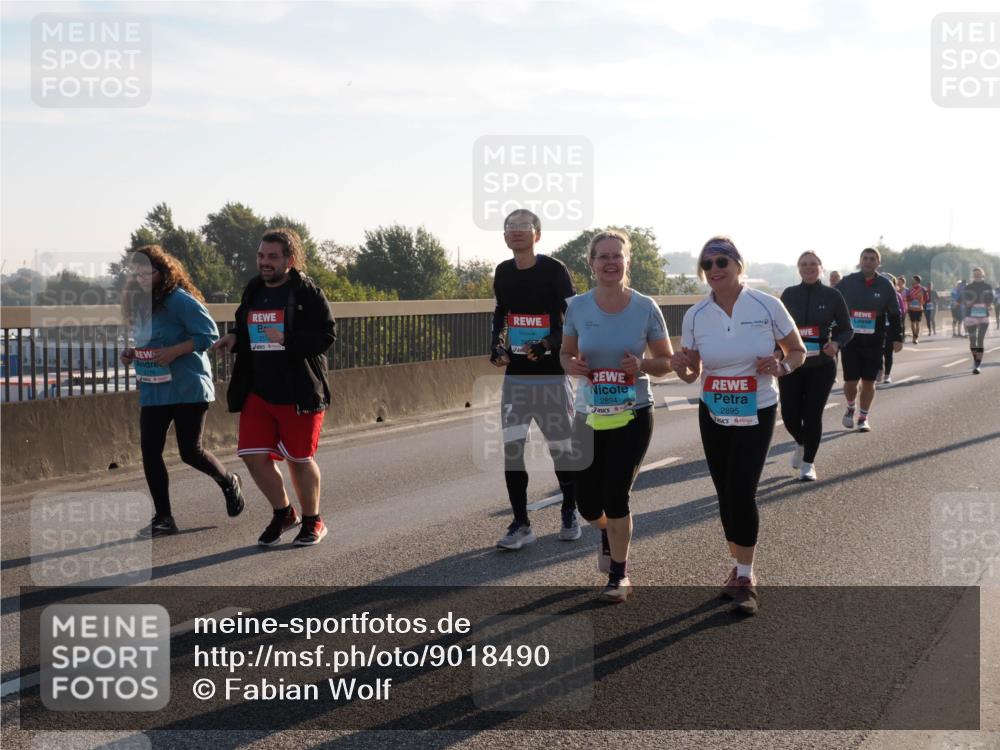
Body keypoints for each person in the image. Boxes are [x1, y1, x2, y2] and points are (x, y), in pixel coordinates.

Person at [671, 236, 805, 615]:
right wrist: (684, 369)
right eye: (708, 264)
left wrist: (781, 366)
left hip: (756, 407)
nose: (714, 270)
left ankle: (746, 578)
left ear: (737, 265)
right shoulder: (696, 314)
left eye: (722, 262)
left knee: (742, 489)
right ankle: (738, 565)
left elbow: (798, 351)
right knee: (725, 492)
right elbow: (692, 371)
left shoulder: (767, 305)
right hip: (713, 408)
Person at [561, 229, 672, 602]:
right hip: (588, 412)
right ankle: (607, 533)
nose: (610, 262)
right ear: (591, 264)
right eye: (602, 256)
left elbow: (665, 362)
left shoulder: (645, 306)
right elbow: (565, 353)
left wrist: (640, 364)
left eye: (616, 255)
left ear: (628, 261)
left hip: (632, 412)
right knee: (588, 504)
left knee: (615, 494)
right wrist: (571, 366)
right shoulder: (576, 306)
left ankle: (619, 575)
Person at [212, 228, 336, 546]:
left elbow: (326, 336)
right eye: (261, 256)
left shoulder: (307, 292)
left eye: (272, 257)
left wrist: (288, 340)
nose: (264, 262)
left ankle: (313, 520)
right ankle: (284, 513)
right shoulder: (254, 289)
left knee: (298, 458)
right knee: (252, 455)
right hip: (257, 389)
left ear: (289, 260)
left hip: (298, 390)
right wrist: (234, 338)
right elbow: (245, 327)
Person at [121, 245, 245, 538]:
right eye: (136, 272)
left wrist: (175, 350)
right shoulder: (140, 305)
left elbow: (208, 334)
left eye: (147, 272)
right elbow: (150, 343)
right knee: (150, 451)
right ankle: (164, 518)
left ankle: (229, 481)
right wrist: (133, 353)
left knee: (191, 451)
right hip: (154, 387)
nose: (141, 277)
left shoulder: (178, 299)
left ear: (162, 273)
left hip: (188, 385)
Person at [490, 209, 579, 550]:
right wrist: (496, 346)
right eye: (510, 227)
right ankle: (521, 523)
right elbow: (501, 313)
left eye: (524, 227)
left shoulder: (554, 270)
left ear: (537, 235)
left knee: (560, 448)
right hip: (516, 379)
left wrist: (547, 344)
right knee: (513, 450)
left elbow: (572, 319)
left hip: (551, 377)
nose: (516, 232)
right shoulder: (502, 271)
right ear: (504, 236)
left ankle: (570, 510)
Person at [778, 252, 853, 481]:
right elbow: (776, 328)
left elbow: (846, 328)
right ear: (798, 269)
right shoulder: (789, 295)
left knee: (812, 415)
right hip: (791, 363)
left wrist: (837, 343)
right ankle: (801, 443)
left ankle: (808, 463)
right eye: (804, 264)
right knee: (789, 415)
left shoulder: (832, 295)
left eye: (813, 264)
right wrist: (774, 349)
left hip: (821, 364)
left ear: (821, 268)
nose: (808, 268)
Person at [836, 248, 902, 431]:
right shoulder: (847, 282)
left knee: (868, 382)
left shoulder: (885, 285)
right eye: (865, 258)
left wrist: (898, 337)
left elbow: (895, 314)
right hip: (851, 340)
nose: (868, 261)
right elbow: (832, 303)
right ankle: (850, 407)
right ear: (860, 261)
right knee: (850, 381)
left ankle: (863, 417)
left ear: (878, 263)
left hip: (874, 340)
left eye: (872, 259)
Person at [962, 268, 994, 374]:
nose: (977, 276)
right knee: (972, 340)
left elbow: (991, 299)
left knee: (980, 340)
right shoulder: (968, 287)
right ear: (972, 276)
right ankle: (976, 359)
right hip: (971, 316)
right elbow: (964, 300)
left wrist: (989, 305)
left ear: (983, 275)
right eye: (975, 274)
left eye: (979, 274)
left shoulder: (987, 286)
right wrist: (968, 303)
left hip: (984, 316)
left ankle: (977, 364)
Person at [904, 275, 928, 344]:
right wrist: (909, 303)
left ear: (917, 281)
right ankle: (914, 337)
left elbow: (926, 298)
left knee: (917, 323)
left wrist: (922, 302)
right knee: (912, 323)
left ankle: (916, 337)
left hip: (919, 309)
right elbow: (907, 298)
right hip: (911, 308)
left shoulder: (922, 289)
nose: (912, 280)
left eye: (913, 279)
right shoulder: (910, 289)